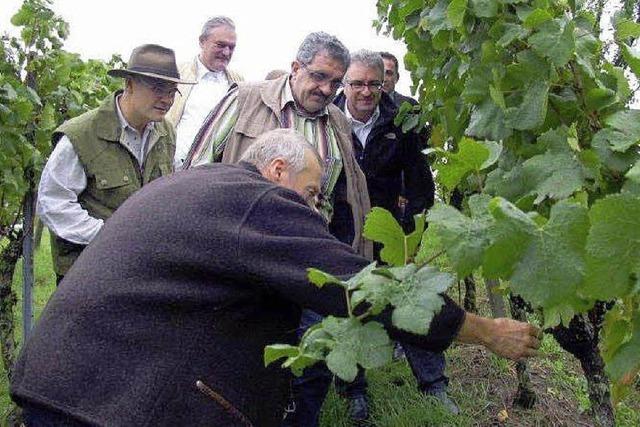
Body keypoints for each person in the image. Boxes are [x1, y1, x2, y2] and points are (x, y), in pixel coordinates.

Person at [11, 129, 541, 427]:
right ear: (279, 171)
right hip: (113, 408)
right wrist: (484, 331)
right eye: (312, 195)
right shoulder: (257, 200)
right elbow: (362, 289)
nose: (313, 210)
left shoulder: (196, 183)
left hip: (65, 381)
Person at [183, 31, 372, 424]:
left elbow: (348, 193)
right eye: (319, 76)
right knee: (249, 359)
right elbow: (197, 169)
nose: (326, 89)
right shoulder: (246, 99)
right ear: (296, 67)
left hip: (308, 259)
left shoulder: (336, 120)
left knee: (312, 359)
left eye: (335, 82)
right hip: (245, 257)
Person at [336, 50, 458, 414]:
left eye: (374, 83)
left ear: (384, 84)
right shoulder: (327, 119)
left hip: (388, 227)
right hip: (341, 230)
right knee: (348, 304)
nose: (366, 91)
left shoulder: (400, 121)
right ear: (345, 84)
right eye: (357, 83)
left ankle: (434, 383)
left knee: (408, 298)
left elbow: (420, 184)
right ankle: (354, 390)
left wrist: (411, 236)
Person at [36, 44, 194, 284]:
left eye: (173, 91)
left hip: (141, 270)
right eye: (158, 88)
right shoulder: (82, 133)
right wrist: (110, 236)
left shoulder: (165, 132)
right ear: (129, 85)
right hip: (86, 273)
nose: (167, 99)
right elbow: (53, 203)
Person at [166, 16, 243, 168]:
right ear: (202, 41)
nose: (226, 52)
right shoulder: (177, 74)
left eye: (231, 47)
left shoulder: (239, 84)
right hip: (170, 167)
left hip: (211, 173)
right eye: (220, 45)